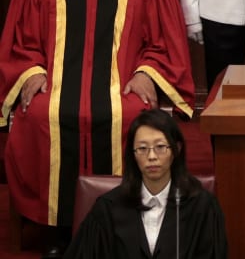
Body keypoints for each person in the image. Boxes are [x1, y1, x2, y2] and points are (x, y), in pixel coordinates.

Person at [0, 0, 195, 258]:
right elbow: (20, 44)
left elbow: (166, 42)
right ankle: (57, 230)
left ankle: (124, 224)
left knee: (131, 117)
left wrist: (147, 73)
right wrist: (30, 73)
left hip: (122, 86)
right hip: (55, 86)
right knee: (43, 117)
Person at [65, 108, 227, 258]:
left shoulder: (202, 208)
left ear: (176, 149)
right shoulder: (108, 208)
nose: (151, 156)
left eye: (160, 147)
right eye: (142, 148)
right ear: (133, 154)